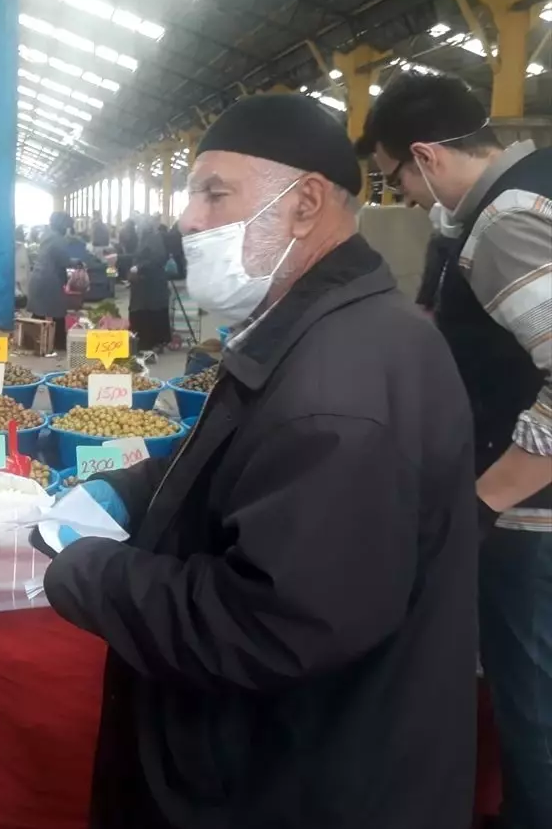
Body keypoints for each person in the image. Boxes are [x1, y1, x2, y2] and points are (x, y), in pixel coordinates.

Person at [39, 93, 479, 829]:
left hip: (301, 784)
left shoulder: (339, 391)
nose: (188, 219)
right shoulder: (324, 329)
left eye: (215, 192)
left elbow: (270, 623)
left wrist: (93, 573)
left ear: (305, 203)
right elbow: (248, 460)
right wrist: (137, 488)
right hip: (292, 760)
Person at [359, 72, 552, 829]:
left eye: (393, 178)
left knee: (533, 704)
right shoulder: (524, 193)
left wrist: (486, 499)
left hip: (532, 520)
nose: (400, 195)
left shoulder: (506, 223)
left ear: (426, 156)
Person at [27, 211, 76, 351]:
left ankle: (32, 340)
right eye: (67, 225)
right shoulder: (58, 239)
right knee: (57, 312)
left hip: (40, 277)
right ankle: (59, 342)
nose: (68, 229)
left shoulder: (48, 235)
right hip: (49, 280)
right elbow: (64, 261)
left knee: (39, 312)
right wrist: (76, 262)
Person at [126, 213, 172, 353]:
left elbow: (158, 258)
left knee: (150, 312)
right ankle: (145, 342)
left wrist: (139, 267)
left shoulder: (153, 239)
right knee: (146, 312)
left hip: (152, 284)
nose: (137, 228)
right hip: (144, 283)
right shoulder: (145, 238)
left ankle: (149, 343)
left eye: (139, 225)